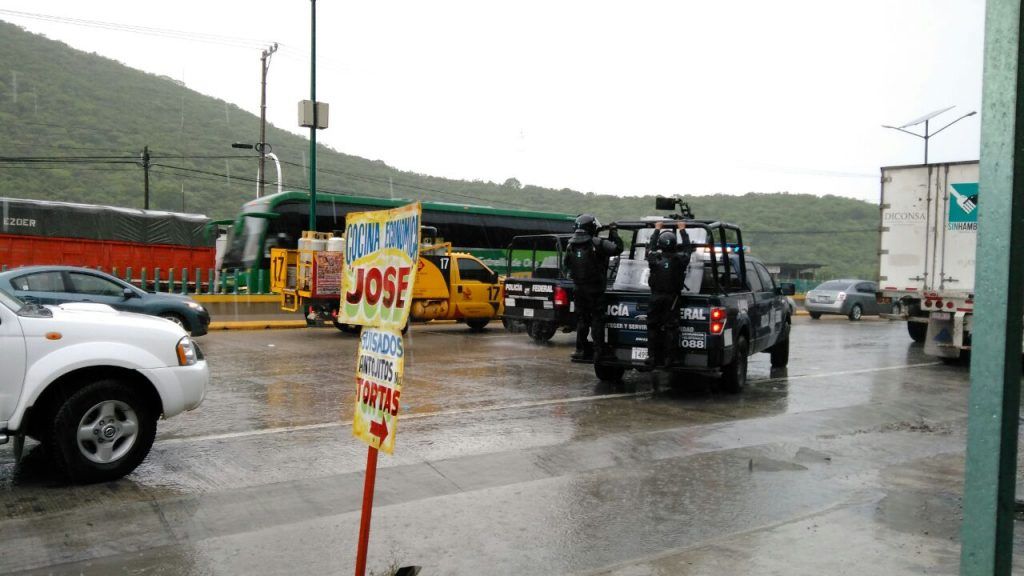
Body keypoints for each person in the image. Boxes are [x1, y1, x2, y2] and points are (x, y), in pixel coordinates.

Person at [564, 214, 623, 361]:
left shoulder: (570, 245)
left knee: (582, 320)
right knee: (597, 319)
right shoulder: (598, 243)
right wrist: (613, 232)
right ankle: (599, 350)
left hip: (579, 289)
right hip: (595, 290)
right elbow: (617, 249)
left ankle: (580, 349)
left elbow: (567, 266)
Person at [645, 221, 693, 367]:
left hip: (656, 297)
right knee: (671, 328)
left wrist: (656, 230)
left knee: (652, 326)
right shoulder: (680, 259)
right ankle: (669, 359)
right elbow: (688, 249)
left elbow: (651, 247)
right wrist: (683, 230)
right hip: (672, 298)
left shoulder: (654, 258)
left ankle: (652, 356)